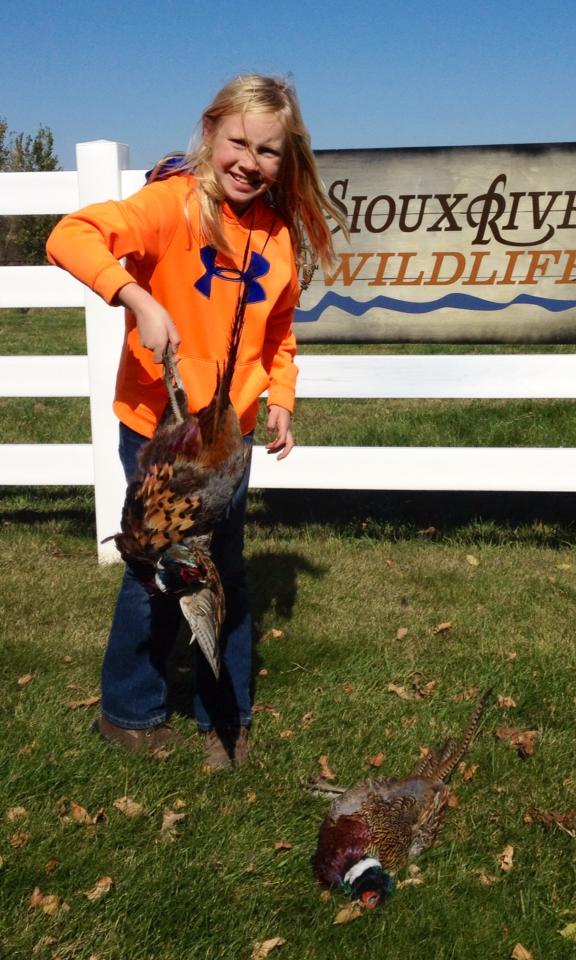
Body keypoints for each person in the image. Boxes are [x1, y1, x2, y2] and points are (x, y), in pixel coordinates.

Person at [46, 74, 346, 771]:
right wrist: (136, 297)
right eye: (238, 142)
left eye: (268, 151)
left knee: (224, 572)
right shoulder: (170, 204)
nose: (249, 162)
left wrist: (280, 396)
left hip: (227, 442)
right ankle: (129, 711)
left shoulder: (276, 234)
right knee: (156, 570)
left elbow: (279, 333)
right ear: (211, 132)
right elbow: (71, 236)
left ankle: (226, 720)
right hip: (158, 431)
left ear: (286, 159)